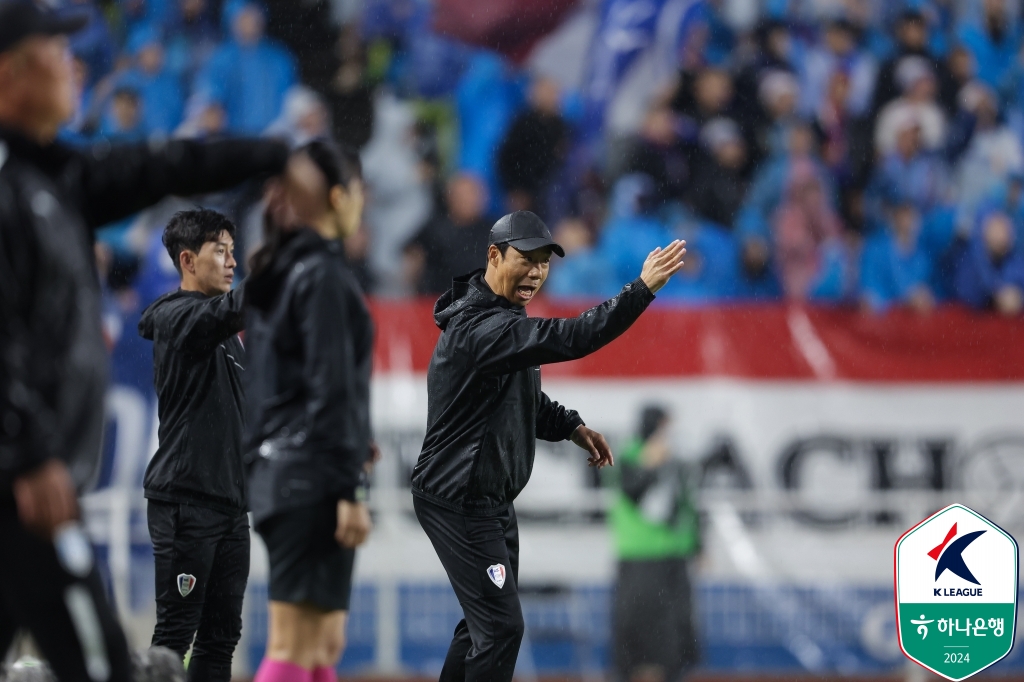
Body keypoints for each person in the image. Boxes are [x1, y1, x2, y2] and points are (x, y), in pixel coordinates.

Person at [0, 2, 287, 680]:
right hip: (22, 486)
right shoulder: (12, 188)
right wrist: (30, 449)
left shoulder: (54, 176)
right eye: (55, 52)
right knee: (100, 660)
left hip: (32, 484)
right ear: (10, 73)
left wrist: (275, 154)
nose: (74, 65)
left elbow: (162, 166)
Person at [411, 210, 687, 681]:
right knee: (500, 629)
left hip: (486, 498)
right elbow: (571, 337)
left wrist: (572, 426)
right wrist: (639, 291)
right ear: (494, 256)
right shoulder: (481, 328)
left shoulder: (500, 318)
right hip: (459, 499)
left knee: (483, 629)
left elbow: (521, 398)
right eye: (527, 259)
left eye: (544, 262)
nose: (537, 272)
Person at [243, 140, 374, 682]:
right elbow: (331, 388)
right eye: (360, 191)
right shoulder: (321, 273)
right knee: (294, 647)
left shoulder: (280, 271)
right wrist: (350, 486)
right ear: (339, 197)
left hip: (282, 473)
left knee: (319, 647)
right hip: (312, 476)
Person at [138, 209, 250, 682]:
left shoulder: (226, 335)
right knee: (173, 639)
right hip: (186, 501)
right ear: (187, 260)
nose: (231, 261)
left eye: (233, 250)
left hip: (228, 505)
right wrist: (284, 266)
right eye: (219, 251)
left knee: (221, 638)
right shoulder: (175, 317)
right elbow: (227, 312)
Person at [608, 406, 701, 682]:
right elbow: (631, 490)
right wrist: (649, 464)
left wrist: (697, 545)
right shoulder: (627, 456)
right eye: (664, 426)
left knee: (676, 631)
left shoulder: (675, 459)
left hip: (674, 556)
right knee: (639, 632)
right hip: (640, 557)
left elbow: (686, 505)